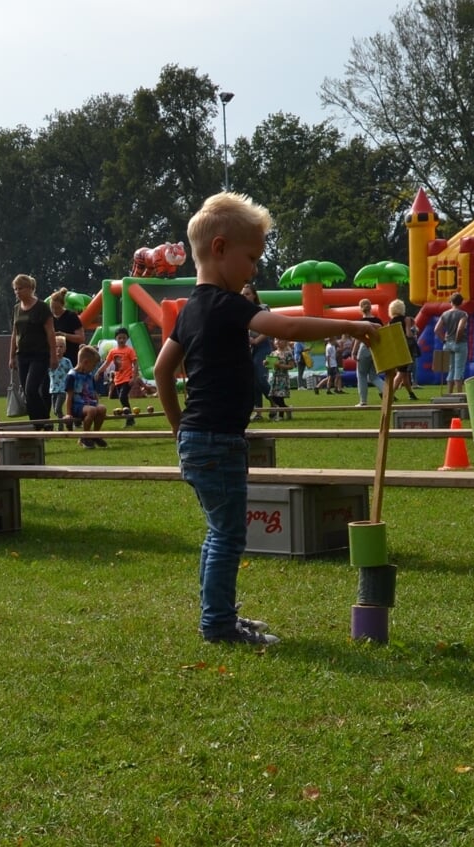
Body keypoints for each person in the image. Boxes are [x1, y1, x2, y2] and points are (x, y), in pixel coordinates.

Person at [154, 192, 378, 646]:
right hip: (218, 441)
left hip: (199, 438)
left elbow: (161, 370)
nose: (254, 270)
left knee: (218, 533)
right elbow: (290, 328)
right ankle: (217, 624)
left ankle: (218, 614)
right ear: (219, 249)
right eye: (251, 258)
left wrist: (179, 429)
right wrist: (351, 326)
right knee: (229, 536)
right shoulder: (226, 304)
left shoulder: (190, 310)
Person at [7, 274, 57, 429]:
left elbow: (50, 332)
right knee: (28, 394)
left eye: (20, 288)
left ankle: (44, 421)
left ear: (30, 289)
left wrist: (53, 355)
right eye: (15, 289)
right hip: (22, 355)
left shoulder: (42, 307)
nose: (17, 292)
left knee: (31, 389)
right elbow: (15, 333)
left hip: (40, 354)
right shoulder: (16, 309)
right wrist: (11, 356)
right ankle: (37, 425)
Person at [66, 345, 108, 447]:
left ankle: (95, 435)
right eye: (93, 366)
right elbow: (69, 396)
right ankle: (84, 437)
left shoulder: (89, 376)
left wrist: (97, 403)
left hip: (89, 403)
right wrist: (68, 414)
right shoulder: (72, 376)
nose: (93, 369)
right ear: (85, 363)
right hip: (77, 406)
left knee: (102, 408)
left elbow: (93, 392)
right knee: (92, 410)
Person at [242, 283, 271, 420]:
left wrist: (256, 340)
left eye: (247, 294)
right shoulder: (241, 311)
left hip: (262, 345)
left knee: (260, 377)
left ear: (254, 295)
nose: (245, 296)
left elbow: (268, 329)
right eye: (243, 294)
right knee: (253, 381)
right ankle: (258, 411)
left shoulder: (262, 309)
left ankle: (276, 403)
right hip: (250, 348)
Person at [98, 327, 138, 426]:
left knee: (122, 397)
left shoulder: (129, 350)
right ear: (116, 338)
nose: (121, 340)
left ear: (127, 339)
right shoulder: (113, 351)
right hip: (117, 380)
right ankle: (130, 418)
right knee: (123, 399)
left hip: (127, 378)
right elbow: (106, 363)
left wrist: (133, 377)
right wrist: (98, 371)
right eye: (119, 338)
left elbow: (135, 364)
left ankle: (129, 419)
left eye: (124, 338)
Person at [435, 292, 469, 394]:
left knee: (451, 369)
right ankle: (459, 393)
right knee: (459, 369)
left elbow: (436, 329)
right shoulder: (463, 314)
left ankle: (449, 393)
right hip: (459, 343)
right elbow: (460, 328)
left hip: (448, 343)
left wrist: (444, 340)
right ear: (461, 302)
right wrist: (457, 339)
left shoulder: (444, 314)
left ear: (451, 302)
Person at [354, 298, 385, 406]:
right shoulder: (378, 321)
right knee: (374, 376)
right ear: (371, 307)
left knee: (361, 374)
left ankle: (363, 401)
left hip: (365, 348)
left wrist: (354, 352)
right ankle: (387, 393)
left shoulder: (360, 322)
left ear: (360, 309)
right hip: (376, 349)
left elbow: (358, 339)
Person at [388, 299, 421, 401]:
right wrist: (410, 328)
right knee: (402, 373)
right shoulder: (406, 319)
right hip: (406, 348)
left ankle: (411, 393)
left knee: (405, 373)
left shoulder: (391, 322)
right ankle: (390, 394)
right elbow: (409, 335)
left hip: (396, 348)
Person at [49, 288, 85, 366]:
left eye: (57, 308)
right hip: (55, 357)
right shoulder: (49, 318)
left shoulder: (71, 316)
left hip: (71, 356)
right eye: (52, 308)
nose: (54, 310)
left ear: (63, 305)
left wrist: (64, 335)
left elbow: (81, 338)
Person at [48, 334, 73, 431]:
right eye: (56, 346)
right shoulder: (50, 361)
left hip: (63, 389)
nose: (58, 349)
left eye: (61, 346)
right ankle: (67, 421)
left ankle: (61, 425)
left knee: (58, 409)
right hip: (53, 389)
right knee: (55, 410)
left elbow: (71, 373)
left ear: (65, 349)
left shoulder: (66, 361)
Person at [267, 338, 294, 420]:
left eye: (280, 340)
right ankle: (287, 409)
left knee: (280, 397)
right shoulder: (273, 353)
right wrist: (266, 363)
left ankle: (281, 416)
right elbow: (270, 366)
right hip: (275, 378)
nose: (277, 342)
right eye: (276, 340)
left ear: (286, 342)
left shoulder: (288, 353)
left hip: (283, 378)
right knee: (274, 397)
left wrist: (280, 366)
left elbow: (291, 366)